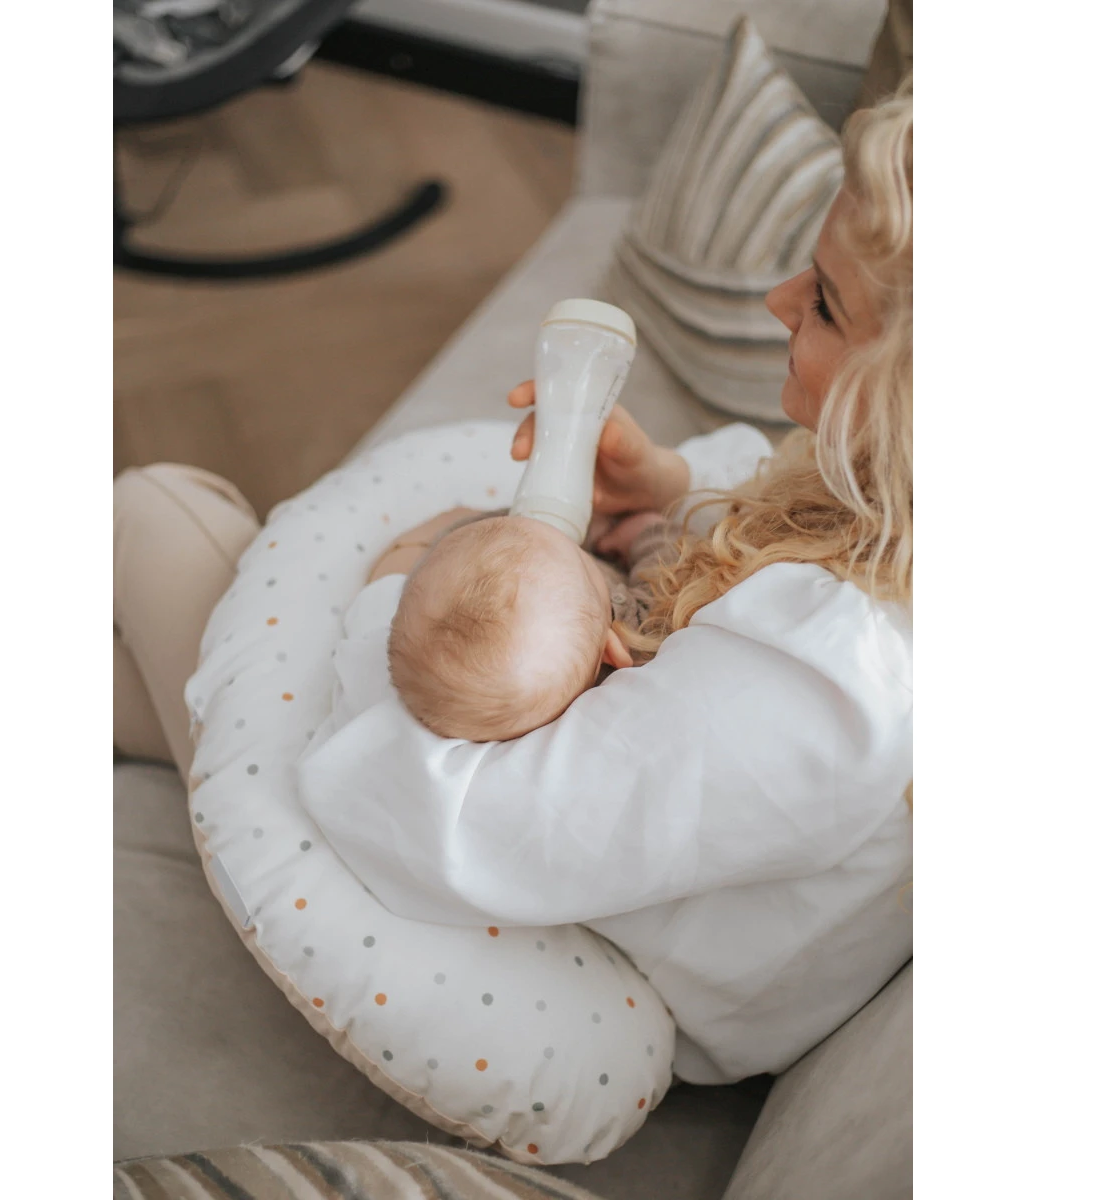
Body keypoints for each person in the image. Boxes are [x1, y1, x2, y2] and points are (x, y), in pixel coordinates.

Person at [115, 81, 912, 1088]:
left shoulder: (828, 683)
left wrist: (398, 588)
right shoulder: (892, 512)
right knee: (156, 598)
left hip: (563, 954)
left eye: (826, 303)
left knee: (154, 510)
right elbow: (778, 509)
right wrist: (668, 488)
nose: (780, 301)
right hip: (581, 875)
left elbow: (430, 819)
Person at [382, 504, 683, 742]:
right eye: (581, 557)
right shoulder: (636, 629)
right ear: (612, 652)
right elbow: (672, 566)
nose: (578, 546)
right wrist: (643, 532)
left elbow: (484, 534)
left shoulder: (454, 560)